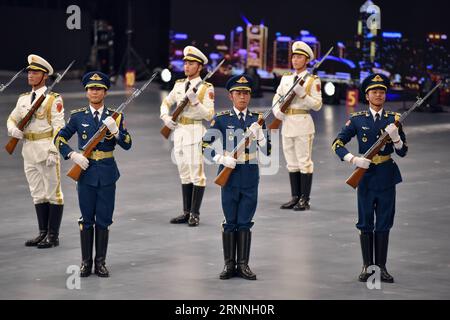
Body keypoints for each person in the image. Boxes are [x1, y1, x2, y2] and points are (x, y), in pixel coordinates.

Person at [332, 74, 408, 283]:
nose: (378, 95)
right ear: (367, 95)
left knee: (384, 222)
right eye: (374, 91)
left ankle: (381, 267)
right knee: (365, 222)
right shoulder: (357, 119)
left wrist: (396, 139)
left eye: (382, 91)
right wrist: (353, 159)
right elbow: (337, 143)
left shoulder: (393, 120)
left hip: (386, 176)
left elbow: (402, 152)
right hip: (364, 177)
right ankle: (367, 266)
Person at [54, 71, 132, 277]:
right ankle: (85, 262)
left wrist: (116, 132)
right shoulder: (78, 116)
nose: (94, 92)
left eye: (98, 89)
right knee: (86, 218)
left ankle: (100, 262)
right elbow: (59, 138)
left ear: (105, 92)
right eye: (90, 88)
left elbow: (128, 144)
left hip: (107, 173)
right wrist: (72, 155)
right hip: (86, 173)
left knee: (104, 219)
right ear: (87, 92)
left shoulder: (116, 116)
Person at [202, 74, 270, 280]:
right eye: (238, 93)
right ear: (231, 96)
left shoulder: (257, 120)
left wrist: (260, 137)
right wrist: (220, 158)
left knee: (245, 221)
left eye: (246, 93)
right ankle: (229, 264)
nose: (242, 97)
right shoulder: (222, 119)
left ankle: (243, 264)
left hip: (249, 175)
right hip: (229, 176)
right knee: (230, 221)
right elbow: (204, 146)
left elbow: (269, 151)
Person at [7, 54, 65, 249]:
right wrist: (12, 129)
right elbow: (12, 119)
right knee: (37, 193)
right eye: (30, 72)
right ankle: (42, 233)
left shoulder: (52, 100)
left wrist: (53, 150)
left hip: (46, 149)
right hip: (28, 151)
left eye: (35, 72)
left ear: (45, 76)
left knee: (53, 193)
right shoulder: (23, 99)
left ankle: (53, 235)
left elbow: (59, 127)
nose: (31, 75)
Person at [160, 46, 215, 227]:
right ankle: (186, 212)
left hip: (195, 134)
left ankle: (195, 213)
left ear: (199, 67)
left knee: (197, 175)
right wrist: (166, 117)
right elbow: (166, 102)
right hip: (180, 134)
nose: (187, 66)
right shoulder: (178, 84)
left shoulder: (206, 88)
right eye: (185, 63)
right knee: (184, 174)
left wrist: (196, 102)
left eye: (191, 63)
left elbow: (209, 115)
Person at [272, 41, 323, 211]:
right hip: (287, 123)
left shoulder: (312, 80)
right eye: (294, 56)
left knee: (304, 162)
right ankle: (295, 197)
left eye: (299, 57)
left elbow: (317, 105)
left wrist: (303, 96)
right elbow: (277, 96)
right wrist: (276, 111)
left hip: (303, 123)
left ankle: (305, 199)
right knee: (291, 163)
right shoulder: (286, 78)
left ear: (306, 60)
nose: (295, 59)